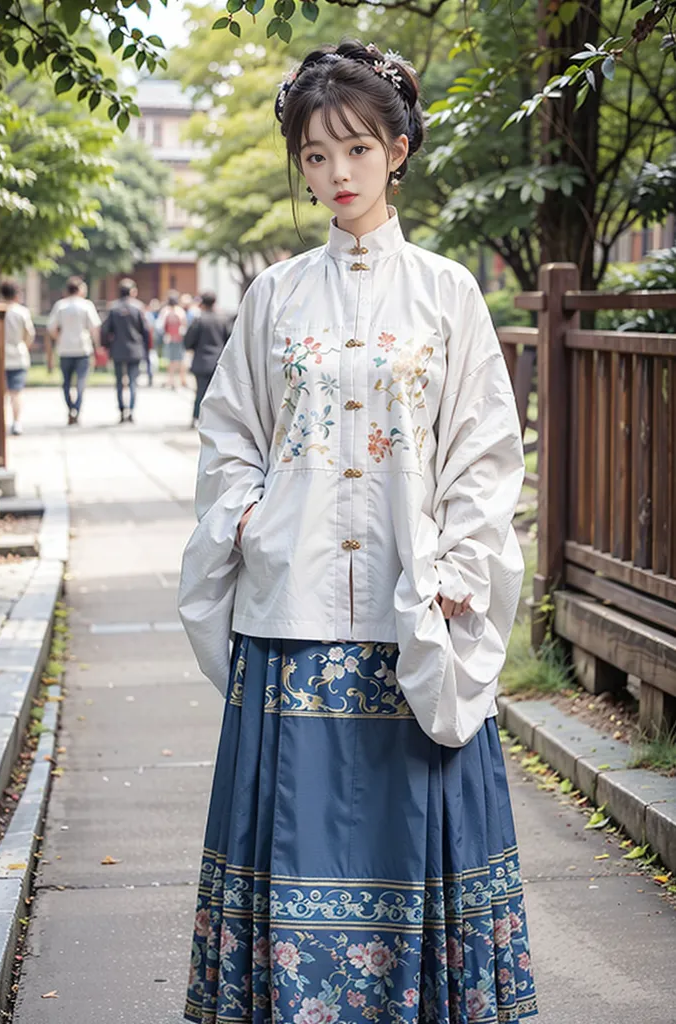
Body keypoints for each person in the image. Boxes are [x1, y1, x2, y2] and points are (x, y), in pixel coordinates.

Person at [179, 40, 538, 1024]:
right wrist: (249, 516)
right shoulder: (275, 296)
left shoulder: (446, 292)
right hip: (289, 615)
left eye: (355, 150)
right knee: (290, 839)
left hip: (411, 606)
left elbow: (480, 443)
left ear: (398, 149)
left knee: (408, 834)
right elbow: (230, 435)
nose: (334, 174)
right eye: (314, 155)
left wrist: (464, 559)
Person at [47, 276, 101, 425]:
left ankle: (70, 407)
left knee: (66, 382)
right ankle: (77, 408)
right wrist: (97, 346)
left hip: (65, 348)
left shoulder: (60, 306)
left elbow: (51, 328)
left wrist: (59, 338)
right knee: (81, 382)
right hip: (83, 348)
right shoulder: (86, 305)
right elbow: (94, 328)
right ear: (80, 289)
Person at [100, 278, 150, 423]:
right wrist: (146, 348)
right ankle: (132, 411)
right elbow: (145, 331)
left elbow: (105, 330)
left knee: (119, 382)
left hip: (117, 349)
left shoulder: (113, 308)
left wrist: (106, 346)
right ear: (132, 291)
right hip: (135, 349)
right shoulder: (138, 308)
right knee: (133, 382)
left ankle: (122, 410)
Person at [182, 290, 230, 429]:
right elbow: (229, 340)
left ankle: (197, 417)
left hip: (201, 360)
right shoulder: (223, 319)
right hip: (219, 361)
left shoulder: (198, 320)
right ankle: (217, 420)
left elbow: (188, 342)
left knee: (200, 391)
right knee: (219, 393)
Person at [0, 278, 34, 436]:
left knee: (0, 392)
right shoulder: (22, 312)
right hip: (18, 354)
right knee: (17, 392)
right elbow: (29, 335)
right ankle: (16, 422)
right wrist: (24, 346)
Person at [157, 292, 188, 390]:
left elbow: (160, 326)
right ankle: (182, 379)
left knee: (170, 360)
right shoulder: (180, 311)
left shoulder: (165, 311)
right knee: (181, 359)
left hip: (169, 338)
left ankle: (171, 379)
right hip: (180, 337)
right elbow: (184, 324)